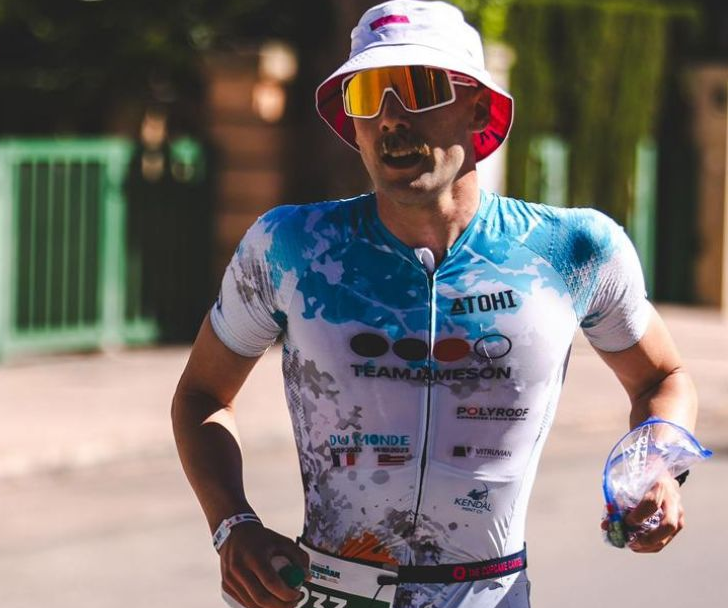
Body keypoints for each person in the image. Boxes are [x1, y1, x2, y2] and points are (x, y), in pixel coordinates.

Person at [170, 1, 699, 607]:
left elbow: (664, 376)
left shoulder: (570, 250)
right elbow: (202, 396)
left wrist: (655, 465)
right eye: (367, 94)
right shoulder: (293, 247)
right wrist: (232, 524)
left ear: (478, 105)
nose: (391, 117)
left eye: (418, 87)